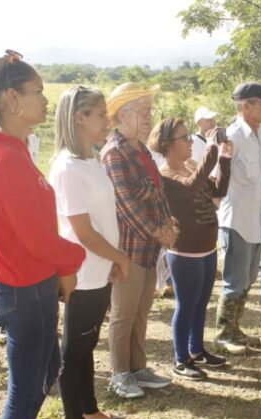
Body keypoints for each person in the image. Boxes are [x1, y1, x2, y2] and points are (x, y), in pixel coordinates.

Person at [0, 51, 86, 419]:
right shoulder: (3, 157)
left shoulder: (7, 149)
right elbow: (36, 239)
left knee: (45, 370)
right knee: (25, 388)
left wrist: (61, 268)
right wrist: (75, 258)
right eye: (38, 91)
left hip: (27, 281)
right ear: (12, 98)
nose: (46, 99)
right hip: (21, 287)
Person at [49, 86, 133, 419]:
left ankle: (89, 410)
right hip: (81, 272)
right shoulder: (68, 167)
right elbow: (82, 231)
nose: (106, 120)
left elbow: (100, 221)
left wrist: (113, 259)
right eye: (100, 114)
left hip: (99, 267)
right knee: (74, 350)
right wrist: (120, 257)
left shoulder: (90, 159)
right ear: (80, 117)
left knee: (86, 345)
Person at [102, 82, 175, 398]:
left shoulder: (142, 149)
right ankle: (119, 373)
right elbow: (125, 203)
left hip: (149, 247)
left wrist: (168, 222)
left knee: (141, 310)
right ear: (122, 115)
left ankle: (137, 367)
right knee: (123, 314)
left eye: (149, 111)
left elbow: (157, 192)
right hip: (129, 249)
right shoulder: (114, 152)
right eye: (143, 111)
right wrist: (158, 230)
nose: (149, 118)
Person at [151, 118, 231, 379]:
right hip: (185, 252)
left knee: (201, 303)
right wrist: (211, 149)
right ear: (168, 145)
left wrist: (226, 160)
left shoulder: (190, 166)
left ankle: (197, 350)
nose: (189, 142)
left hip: (207, 248)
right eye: (184, 138)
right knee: (186, 305)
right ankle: (181, 358)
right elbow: (190, 188)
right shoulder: (166, 175)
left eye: (188, 137)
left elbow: (218, 190)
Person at [214, 82, 261, 353]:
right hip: (236, 220)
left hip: (254, 219)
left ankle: (235, 329)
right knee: (234, 280)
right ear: (246, 106)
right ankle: (223, 335)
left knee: (249, 277)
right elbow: (217, 178)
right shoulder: (233, 137)